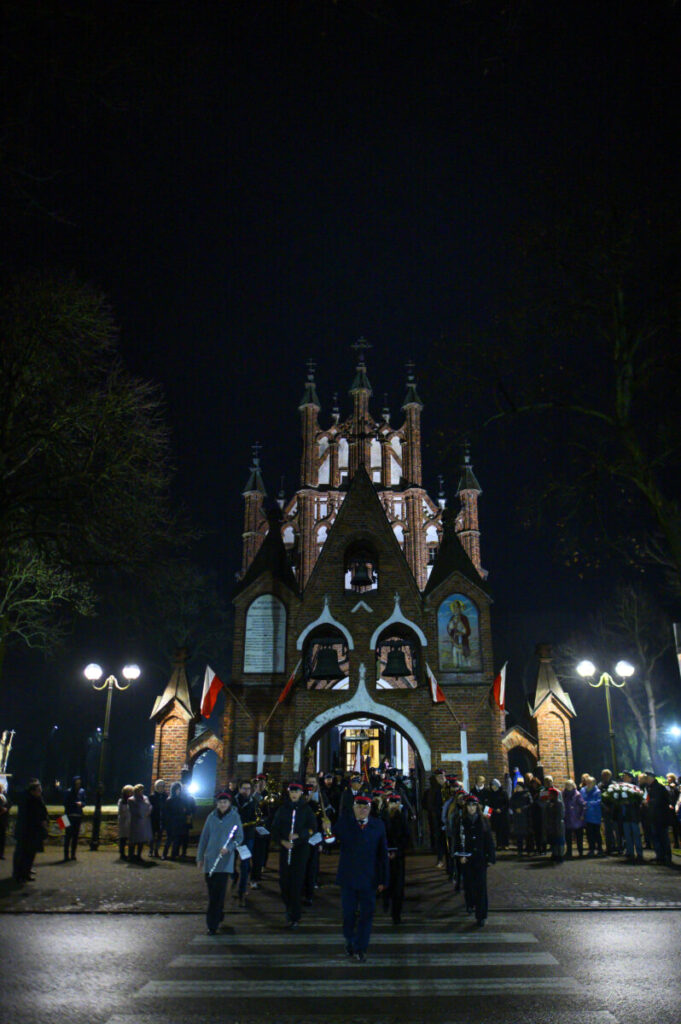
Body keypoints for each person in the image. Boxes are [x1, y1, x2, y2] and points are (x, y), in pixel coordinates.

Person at [333, 794, 389, 961]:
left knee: (366, 915)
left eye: (365, 808)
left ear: (370, 809)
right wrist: (327, 830)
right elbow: (329, 841)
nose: (362, 810)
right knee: (348, 915)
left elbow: (382, 854)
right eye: (359, 807)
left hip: (369, 878)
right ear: (353, 808)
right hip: (349, 877)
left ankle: (361, 947)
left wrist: (383, 879)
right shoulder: (344, 823)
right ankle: (350, 940)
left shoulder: (378, 826)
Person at [270, 781, 317, 929]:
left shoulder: (306, 809)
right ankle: (288, 906)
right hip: (286, 849)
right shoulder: (282, 809)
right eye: (292, 792)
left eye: (296, 792)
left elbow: (312, 828)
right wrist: (283, 841)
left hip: (300, 850)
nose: (294, 795)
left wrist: (299, 836)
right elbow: (275, 829)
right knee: (284, 882)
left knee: (296, 883)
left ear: (300, 793)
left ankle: (294, 915)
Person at [196, 791, 243, 935]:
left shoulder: (235, 817)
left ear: (229, 803)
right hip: (211, 860)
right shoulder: (211, 817)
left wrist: (229, 848)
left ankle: (212, 924)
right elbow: (204, 838)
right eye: (220, 802)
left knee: (218, 893)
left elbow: (239, 837)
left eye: (225, 802)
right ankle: (218, 913)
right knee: (212, 893)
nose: (222, 805)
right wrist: (200, 857)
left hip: (225, 862)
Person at [454, 795, 496, 926]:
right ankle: (470, 903)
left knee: (481, 887)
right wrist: (460, 855)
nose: (471, 808)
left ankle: (481, 915)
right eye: (469, 805)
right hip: (467, 858)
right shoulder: (461, 821)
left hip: (480, 858)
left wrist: (491, 857)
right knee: (469, 885)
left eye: (473, 805)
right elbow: (458, 840)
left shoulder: (483, 821)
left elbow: (489, 840)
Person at [13, 779, 48, 884]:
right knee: (23, 854)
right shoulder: (28, 801)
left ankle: (26, 872)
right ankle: (20, 874)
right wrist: (40, 822)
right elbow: (30, 817)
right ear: (33, 791)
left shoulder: (36, 799)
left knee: (30, 854)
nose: (40, 792)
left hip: (33, 832)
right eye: (38, 790)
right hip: (27, 832)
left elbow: (43, 812)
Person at [382, 793, 410, 924]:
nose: (394, 806)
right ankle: (386, 902)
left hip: (398, 857)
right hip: (385, 856)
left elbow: (407, 838)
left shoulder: (402, 818)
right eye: (392, 803)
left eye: (396, 803)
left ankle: (396, 913)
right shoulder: (383, 817)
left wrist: (398, 851)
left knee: (398, 886)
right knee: (386, 883)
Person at [234, 779, 257, 907]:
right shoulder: (234, 801)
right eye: (244, 788)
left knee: (244, 863)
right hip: (234, 837)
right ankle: (234, 875)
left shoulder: (254, 802)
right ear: (239, 789)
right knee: (231, 862)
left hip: (248, 837)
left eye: (248, 788)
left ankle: (241, 891)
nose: (246, 791)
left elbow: (257, 817)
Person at [643, 770, 672, 866]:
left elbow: (659, 801)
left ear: (651, 777)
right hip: (654, 817)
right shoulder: (651, 787)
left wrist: (648, 803)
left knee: (662, 837)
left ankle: (666, 856)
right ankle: (660, 855)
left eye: (646, 777)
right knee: (656, 837)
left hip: (660, 817)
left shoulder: (658, 788)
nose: (645, 779)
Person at [618, 771, 644, 863]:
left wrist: (629, 802)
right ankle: (630, 853)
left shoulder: (635, 788)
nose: (623, 778)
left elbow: (639, 801)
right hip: (625, 815)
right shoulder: (621, 788)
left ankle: (639, 854)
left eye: (625, 776)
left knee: (636, 835)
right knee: (627, 835)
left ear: (630, 778)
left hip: (633, 815)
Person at [63, 775, 86, 862]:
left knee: (75, 837)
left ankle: (73, 855)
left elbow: (84, 802)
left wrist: (81, 804)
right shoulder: (67, 792)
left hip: (78, 815)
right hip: (68, 815)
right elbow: (65, 804)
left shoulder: (82, 791)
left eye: (79, 784)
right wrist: (74, 804)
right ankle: (66, 855)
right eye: (76, 784)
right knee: (67, 836)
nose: (78, 785)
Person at [162, 782, 187, 860]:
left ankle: (173, 855)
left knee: (176, 840)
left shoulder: (180, 800)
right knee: (169, 839)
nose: (178, 791)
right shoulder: (169, 800)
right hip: (172, 822)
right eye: (177, 790)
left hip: (178, 822)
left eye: (179, 790)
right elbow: (167, 812)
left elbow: (183, 810)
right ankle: (165, 854)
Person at [128, 783, 153, 861]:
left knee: (141, 840)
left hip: (144, 821)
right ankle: (131, 855)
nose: (141, 792)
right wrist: (140, 814)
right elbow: (133, 810)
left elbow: (150, 806)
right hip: (136, 821)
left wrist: (148, 812)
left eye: (142, 790)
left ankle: (139, 854)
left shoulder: (145, 798)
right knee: (134, 839)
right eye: (139, 790)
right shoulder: (131, 799)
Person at [562, 780, 585, 858]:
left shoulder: (577, 794)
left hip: (577, 818)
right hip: (567, 818)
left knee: (579, 837)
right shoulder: (564, 794)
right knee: (568, 837)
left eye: (570, 784)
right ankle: (569, 852)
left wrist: (582, 815)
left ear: (573, 785)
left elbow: (583, 805)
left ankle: (580, 851)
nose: (568, 786)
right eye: (567, 784)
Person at [581, 776, 603, 857]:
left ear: (594, 783)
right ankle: (591, 849)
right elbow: (581, 800)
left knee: (597, 833)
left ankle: (600, 849)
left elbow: (598, 802)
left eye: (590, 782)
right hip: (587, 816)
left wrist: (587, 803)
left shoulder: (597, 791)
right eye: (587, 782)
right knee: (589, 834)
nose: (588, 784)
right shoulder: (583, 790)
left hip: (595, 815)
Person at [509, 780, 532, 857]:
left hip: (525, 817)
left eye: (518, 786)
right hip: (517, 817)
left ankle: (529, 849)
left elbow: (530, 804)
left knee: (527, 834)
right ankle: (520, 850)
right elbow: (511, 804)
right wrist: (515, 809)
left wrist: (522, 809)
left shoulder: (527, 794)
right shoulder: (515, 795)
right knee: (519, 835)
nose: (517, 788)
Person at [544, 787, 565, 862]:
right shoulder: (549, 803)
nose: (549, 796)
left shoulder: (559, 803)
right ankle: (555, 854)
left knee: (559, 840)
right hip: (552, 824)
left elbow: (560, 815)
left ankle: (560, 855)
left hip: (558, 824)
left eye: (551, 794)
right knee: (553, 840)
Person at [488, 778, 510, 850]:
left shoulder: (503, 793)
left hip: (503, 814)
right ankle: (499, 844)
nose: (493, 787)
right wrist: (493, 811)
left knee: (504, 830)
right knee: (497, 830)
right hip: (495, 814)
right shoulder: (491, 794)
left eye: (494, 785)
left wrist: (501, 809)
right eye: (492, 785)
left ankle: (506, 844)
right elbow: (489, 804)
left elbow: (507, 803)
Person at [149, 780, 166, 858]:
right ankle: (151, 850)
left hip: (161, 819)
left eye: (162, 786)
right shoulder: (152, 797)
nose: (161, 788)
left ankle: (156, 851)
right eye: (159, 786)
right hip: (153, 819)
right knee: (152, 836)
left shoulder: (165, 796)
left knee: (159, 836)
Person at [117, 784, 134, 860]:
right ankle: (122, 853)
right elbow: (121, 811)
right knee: (123, 838)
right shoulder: (121, 801)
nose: (130, 793)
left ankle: (131, 854)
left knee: (131, 839)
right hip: (123, 821)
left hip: (130, 821)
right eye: (129, 792)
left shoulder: (133, 800)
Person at [0, 780, 10, 859]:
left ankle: (1, 854)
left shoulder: (4, 796)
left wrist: (6, 808)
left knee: (2, 838)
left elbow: (10, 803)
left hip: (3, 820)